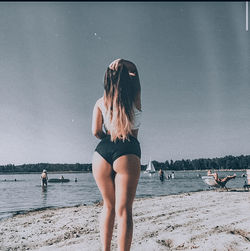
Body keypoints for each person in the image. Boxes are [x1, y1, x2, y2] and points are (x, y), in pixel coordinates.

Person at [92, 58, 142, 251]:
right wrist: (123, 62)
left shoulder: (100, 102)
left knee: (108, 206)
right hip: (127, 149)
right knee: (124, 211)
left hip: (102, 152)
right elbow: (135, 71)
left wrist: (109, 138)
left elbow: (96, 131)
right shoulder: (134, 96)